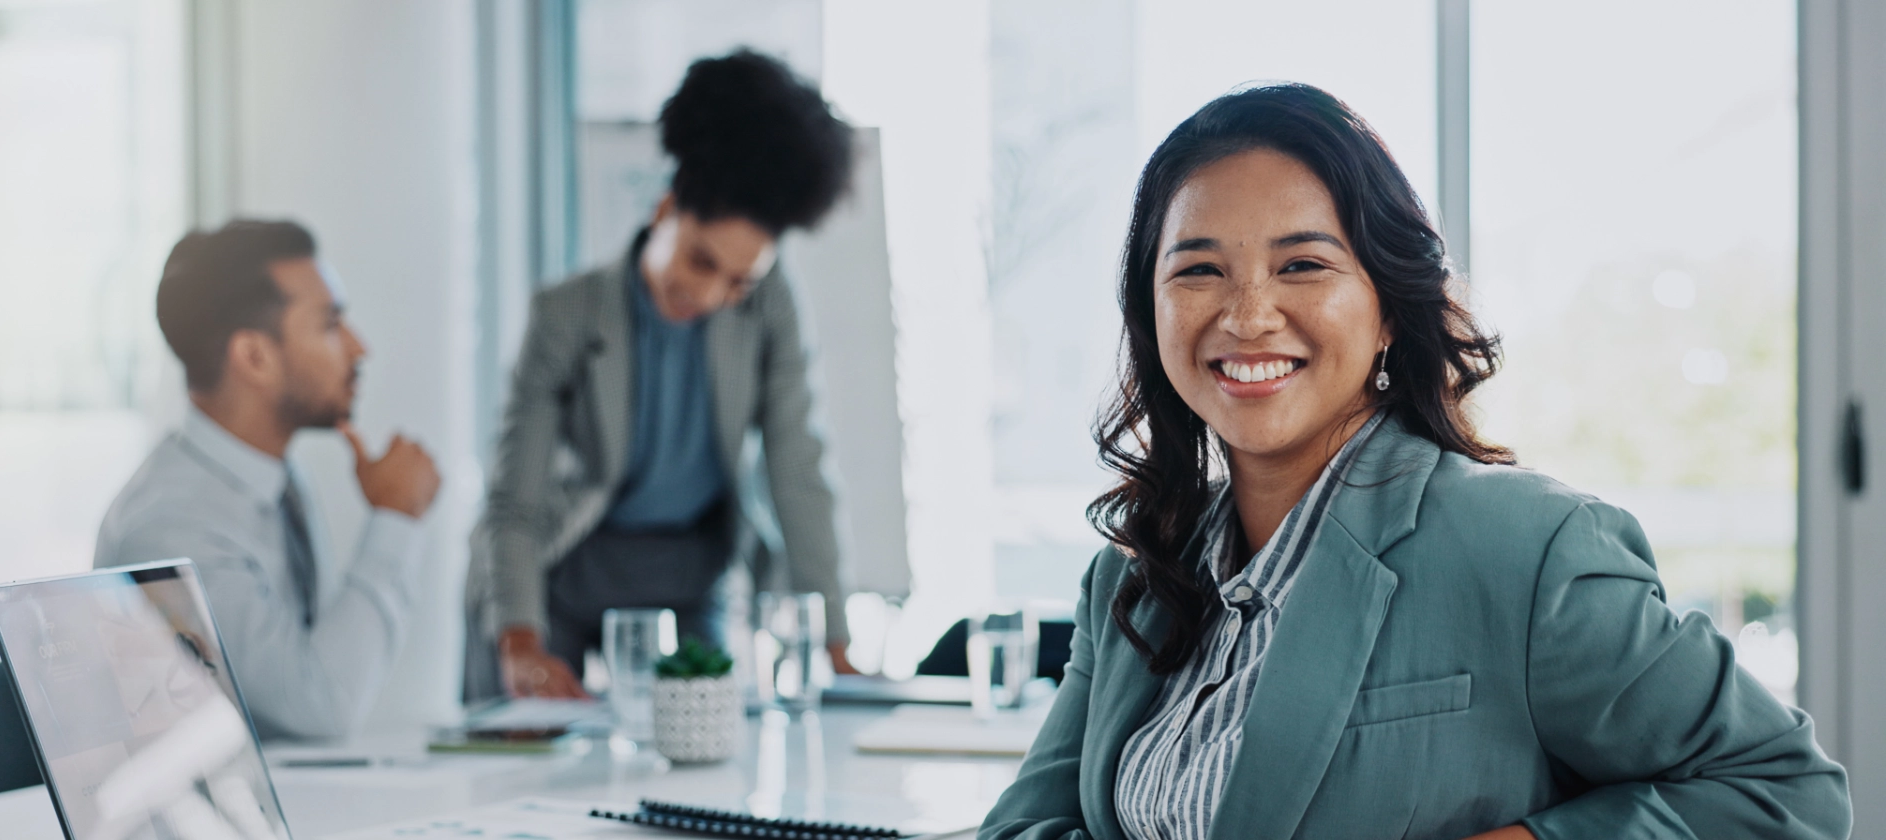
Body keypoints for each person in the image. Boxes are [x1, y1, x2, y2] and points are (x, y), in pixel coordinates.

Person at [979, 84, 1850, 840]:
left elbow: (1782, 796)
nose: (1247, 316)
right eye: (1199, 270)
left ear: (1389, 306)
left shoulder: (1528, 549)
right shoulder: (1128, 581)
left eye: (1303, 264)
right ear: (1151, 312)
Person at [465, 49, 857, 701]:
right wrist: (520, 640)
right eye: (702, 262)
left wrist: (835, 644)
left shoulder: (769, 308)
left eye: (738, 281)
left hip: (687, 575)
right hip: (565, 571)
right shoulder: (566, 313)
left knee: (695, 762)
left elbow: (797, 470)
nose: (710, 296)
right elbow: (516, 496)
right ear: (665, 208)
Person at [95, 220, 440, 741]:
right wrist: (395, 519)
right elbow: (319, 707)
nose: (358, 348)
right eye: (330, 324)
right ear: (254, 356)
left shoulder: (278, 483)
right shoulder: (174, 525)